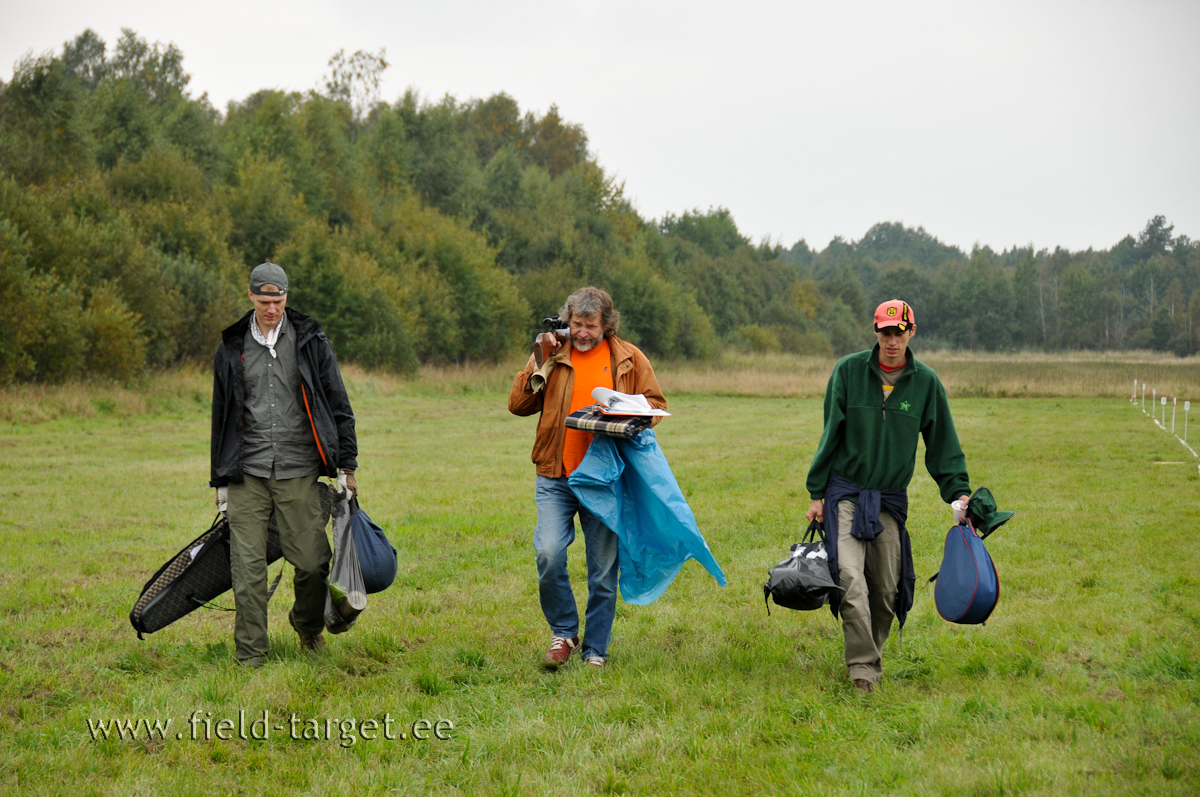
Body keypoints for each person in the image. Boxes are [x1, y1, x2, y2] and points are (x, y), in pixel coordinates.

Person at [804, 300, 970, 693]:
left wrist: (959, 493)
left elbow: (942, 443)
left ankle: (870, 655)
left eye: (899, 333)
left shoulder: (926, 383)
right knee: (848, 577)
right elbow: (831, 434)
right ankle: (863, 669)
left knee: (886, 590)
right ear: (876, 333)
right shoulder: (848, 371)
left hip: (889, 500)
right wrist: (817, 493)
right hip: (845, 493)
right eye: (885, 333)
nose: (892, 341)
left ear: (912, 332)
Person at [508, 287, 667, 670]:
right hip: (555, 474)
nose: (581, 332)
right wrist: (537, 361)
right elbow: (518, 405)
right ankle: (564, 633)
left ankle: (596, 649)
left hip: (604, 477)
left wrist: (626, 414)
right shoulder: (553, 353)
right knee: (548, 554)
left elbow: (656, 406)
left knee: (603, 571)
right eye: (576, 324)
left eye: (590, 326)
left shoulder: (628, 358)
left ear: (606, 325)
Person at [210, 262, 359, 668]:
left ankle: (307, 627)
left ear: (286, 297)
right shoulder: (231, 346)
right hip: (247, 473)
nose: (271, 309)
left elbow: (338, 403)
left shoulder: (311, 340)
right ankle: (251, 657)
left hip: (300, 468)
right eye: (264, 302)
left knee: (312, 563)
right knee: (247, 571)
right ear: (251, 297)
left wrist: (347, 467)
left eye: (277, 301)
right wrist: (220, 482)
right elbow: (222, 416)